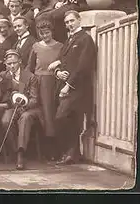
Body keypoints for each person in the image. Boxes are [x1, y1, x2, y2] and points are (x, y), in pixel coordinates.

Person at [49, 10, 97, 165]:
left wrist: (68, 85)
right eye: (67, 22)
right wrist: (57, 72)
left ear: (79, 20)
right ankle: (72, 153)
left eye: (71, 21)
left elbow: (83, 66)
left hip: (77, 88)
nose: (69, 24)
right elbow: (59, 60)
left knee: (62, 117)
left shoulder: (85, 39)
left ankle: (72, 152)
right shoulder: (69, 40)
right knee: (67, 119)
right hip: (64, 86)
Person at [28, 18, 63, 160]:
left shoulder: (60, 46)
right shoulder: (36, 47)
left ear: (52, 32)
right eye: (42, 34)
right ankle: (41, 150)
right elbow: (30, 67)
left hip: (53, 82)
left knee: (52, 115)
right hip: (38, 83)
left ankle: (54, 149)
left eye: (47, 33)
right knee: (40, 114)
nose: (45, 36)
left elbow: (65, 63)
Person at [0, 49, 41, 170]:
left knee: (25, 118)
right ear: (5, 64)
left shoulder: (30, 76)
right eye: (9, 63)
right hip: (12, 107)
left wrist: (24, 105)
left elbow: (35, 99)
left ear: (20, 62)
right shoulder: (3, 76)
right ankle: (15, 149)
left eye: (14, 63)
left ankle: (20, 154)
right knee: (5, 121)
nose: (12, 66)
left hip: (28, 108)